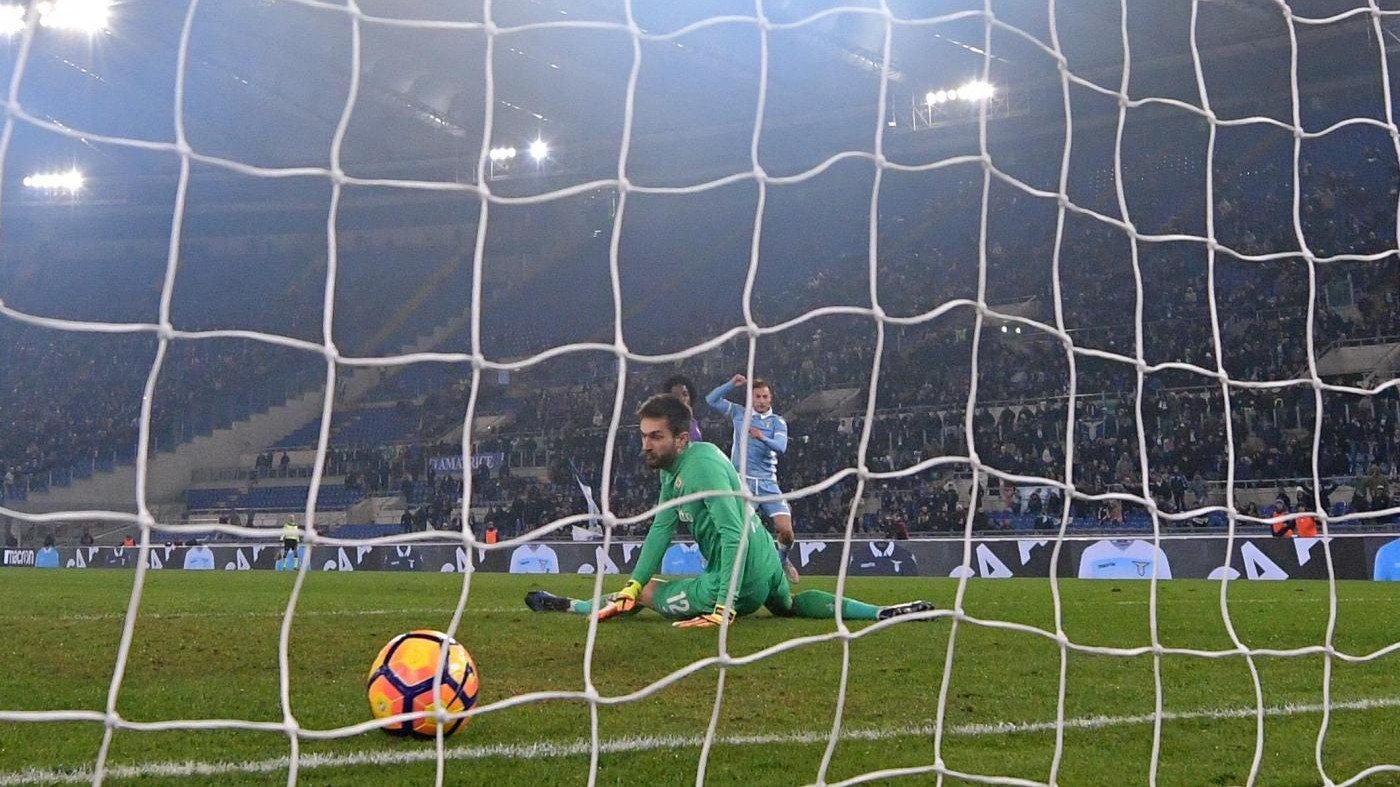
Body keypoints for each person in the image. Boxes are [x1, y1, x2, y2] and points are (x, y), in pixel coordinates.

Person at [525, 394, 932, 627]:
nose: (645, 445)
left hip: (735, 580)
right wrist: (632, 581)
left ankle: (569, 605)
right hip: (767, 565)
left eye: (655, 437)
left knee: (650, 592)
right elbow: (661, 531)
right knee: (788, 605)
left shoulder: (699, 468)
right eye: (644, 436)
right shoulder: (679, 467)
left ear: (681, 438)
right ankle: (880, 612)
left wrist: (723, 606)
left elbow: (731, 532)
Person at [705, 374, 801, 584]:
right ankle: (728, 576)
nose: (761, 400)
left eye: (765, 396)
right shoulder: (740, 413)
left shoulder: (778, 422)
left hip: (767, 483)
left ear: (770, 398)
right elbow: (710, 400)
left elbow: (781, 447)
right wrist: (730, 384)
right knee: (739, 534)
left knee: (786, 532)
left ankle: (782, 560)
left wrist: (762, 437)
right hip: (742, 483)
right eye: (757, 396)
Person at [662, 374, 704, 443]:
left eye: (685, 394)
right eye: (676, 395)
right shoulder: (667, 424)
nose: (681, 399)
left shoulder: (693, 421)